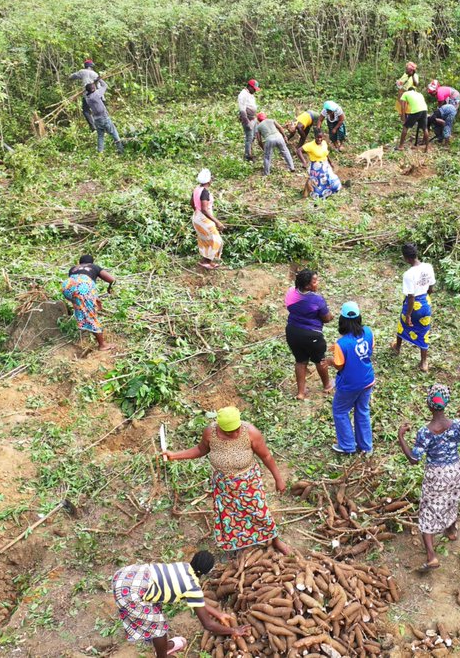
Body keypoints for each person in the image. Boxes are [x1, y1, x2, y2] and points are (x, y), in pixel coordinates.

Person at [162, 407, 292, 555]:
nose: (235, 434)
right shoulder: (210, 433)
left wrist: (278, 479)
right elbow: (200, 450)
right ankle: (237, 546)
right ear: (220, 427)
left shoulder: (250, 432)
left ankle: (275, 540)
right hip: (224, 486)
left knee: (260, 512)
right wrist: (175, 455)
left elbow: (266, 456)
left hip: (248, 482)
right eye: (229, 432)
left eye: (237, 429)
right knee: (230, 518)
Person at [396, 384, 460, 570]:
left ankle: (431, 556)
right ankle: (451, 531)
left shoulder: (425, 432)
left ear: (428, 405)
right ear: (446, 403)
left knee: (428, 509)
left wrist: (401, 437)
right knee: (451, 499)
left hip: (437, 474)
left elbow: (414, 459)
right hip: (456, 471)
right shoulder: (458, 426)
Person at [111, 550, 248, 657]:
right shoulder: (192, 587)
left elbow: (194, 600)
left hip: (127, 574)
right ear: (206, 572)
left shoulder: (183, 567)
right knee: (158, 628)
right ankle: (162, 655)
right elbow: (208, 625)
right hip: (129, 592)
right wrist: (233, 630)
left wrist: (218, 614)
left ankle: (165, 647)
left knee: (155, 615)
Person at [327, 302, 375, 455]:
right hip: (367, 380)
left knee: (340, 411)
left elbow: (339, 365)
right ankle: (366, 447)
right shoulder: (368, 332)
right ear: (359, 318)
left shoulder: (342, 343)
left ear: (342, 320)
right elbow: (369, 350)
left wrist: (330, 361)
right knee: (362, 411)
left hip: (349, 385)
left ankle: (347, 446)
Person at [285, 269, 334, 400]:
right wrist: (331, 316)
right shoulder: (316, 299)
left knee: (300, 361)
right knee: (320, 360)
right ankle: (327, 385)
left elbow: (289, 307)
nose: (318, 283)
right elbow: (326, 318)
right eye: (315, 281)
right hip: (312, 335)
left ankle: (301, 392)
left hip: (292, 332)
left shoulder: (291, 292)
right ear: (307, 286)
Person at [391, 243, 435, 372]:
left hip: (413, 305)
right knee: (424, 331)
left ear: (406, 258)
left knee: (403, 324)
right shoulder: (428, 267)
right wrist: (425, 298)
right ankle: (424, 362)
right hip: (425, 303)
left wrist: (408, 314)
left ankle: (397, 347)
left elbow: (411, 297)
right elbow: (431, 288)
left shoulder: (408, 274)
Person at [62, 254, 116, 351]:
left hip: (66, 287)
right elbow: (112, 279)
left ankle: (81, 316)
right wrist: (109, 288)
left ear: (80, 263)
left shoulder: (73, 268)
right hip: (83, 287)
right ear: (91, 262)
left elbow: (73, 285)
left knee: (83, 304)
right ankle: (102, 345)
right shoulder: (94, 267)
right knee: (91, 315)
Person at [191, 169, 224, 269]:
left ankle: (206, 261)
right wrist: (217, 222)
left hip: (196, 217)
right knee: (216, 240)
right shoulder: (204, 192)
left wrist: (197, 211)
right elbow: (205, 210)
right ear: (209, 181)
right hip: (203, 218)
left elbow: (191, 203)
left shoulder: (197, 189)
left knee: (206, 239)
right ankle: (206, 262)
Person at [299, 130, 341, 199]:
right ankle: (312, 195)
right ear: (315, 137)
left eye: (321, 137)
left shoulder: (324, 143)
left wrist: (330, 162)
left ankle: (328, 193)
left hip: (325, 165)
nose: (319, 139)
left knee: (331, 179)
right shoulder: (310, 145)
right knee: (317, 183)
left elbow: (326, 154)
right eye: (317, 137)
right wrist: (304, 162)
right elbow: (299, 151)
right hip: (316, 167)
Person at [84, 80, 123, 154]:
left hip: (96, 119)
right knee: (114, 132)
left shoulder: (87, 98)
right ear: (93, 89)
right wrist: (100, 79)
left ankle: (100, 152)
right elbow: (105, 85)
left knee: (100, 136)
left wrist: (94, 83)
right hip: (103, 117)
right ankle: (121, 150)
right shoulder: (95, 95)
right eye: (94, 87)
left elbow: (88, 91)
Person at [68, 59, 102, 131]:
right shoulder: (95, 74)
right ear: (91, 66)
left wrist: (69, 77)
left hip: (87, 95)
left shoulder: (82, 72)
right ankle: (101, 125)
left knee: (86, 111)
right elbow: (99, 86)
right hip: (96, 95)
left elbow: (72, 77)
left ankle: (93, 127)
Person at [396, 86, 430, 151]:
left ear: (408, 90)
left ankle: (401, 146)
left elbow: (403, 107)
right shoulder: (420, 94)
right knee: (425, 129)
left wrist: (403, 117)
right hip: (424, 110)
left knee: (405, 127)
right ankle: (427, 148)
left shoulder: (405, 93)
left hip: (416, 111)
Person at [238, 79, 259, 162]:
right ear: (249, 87)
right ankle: (248, 156)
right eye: (254, 89)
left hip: (253, 118)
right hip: (248, 119)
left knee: (253, 136)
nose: (255, 90)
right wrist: (247, 122)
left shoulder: (250, 94)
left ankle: (250, 152)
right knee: (249, 138)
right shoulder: (243, 95)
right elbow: (242, 110)